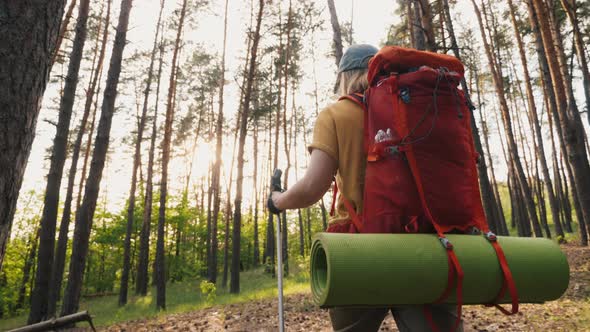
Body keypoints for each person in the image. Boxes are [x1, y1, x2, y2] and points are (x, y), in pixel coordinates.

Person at [268, 44, 463, 332]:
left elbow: (312, 187)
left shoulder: (336, 114)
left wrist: (278, 200)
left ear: (344, 77)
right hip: (424, 244)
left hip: (358, 248)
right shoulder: (416, 107)